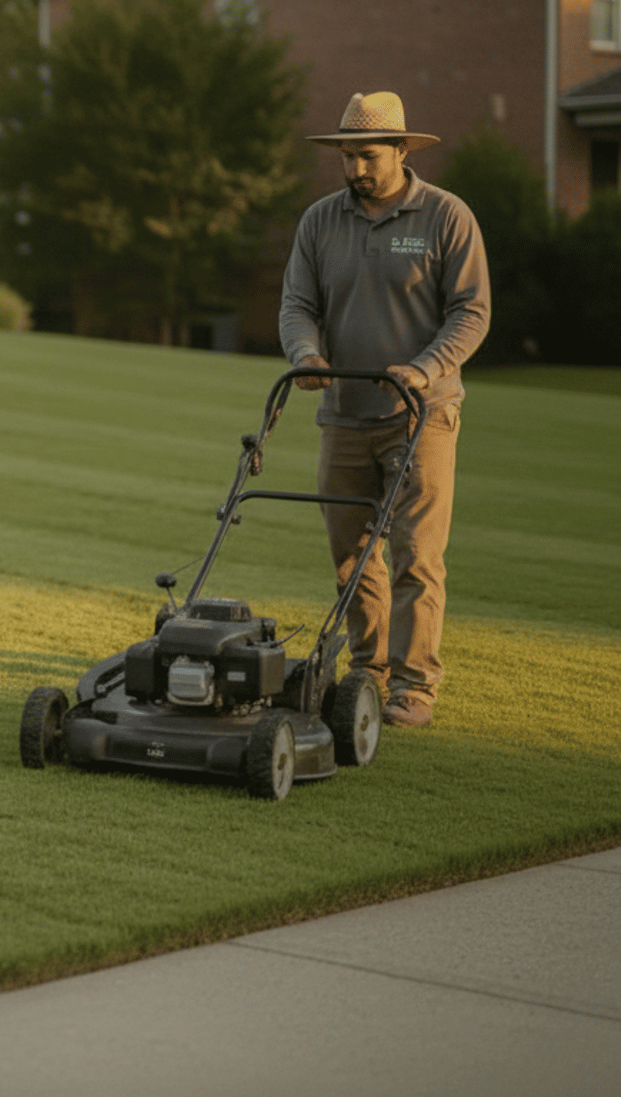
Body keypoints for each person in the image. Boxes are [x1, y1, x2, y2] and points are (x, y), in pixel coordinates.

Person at [278, 91, 490, 727]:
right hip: (343, 413)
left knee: (416, 555)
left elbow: (471, 312)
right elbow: (298, 304)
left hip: (421, 416)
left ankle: (414, 686)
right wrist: (306, 355)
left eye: (366, 156)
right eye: (346, 156)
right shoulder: (320, 221)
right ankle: (366, 673)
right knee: (351, 556)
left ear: (401, 150)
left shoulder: (446, 217)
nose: (354, 169)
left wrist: (423, 368)